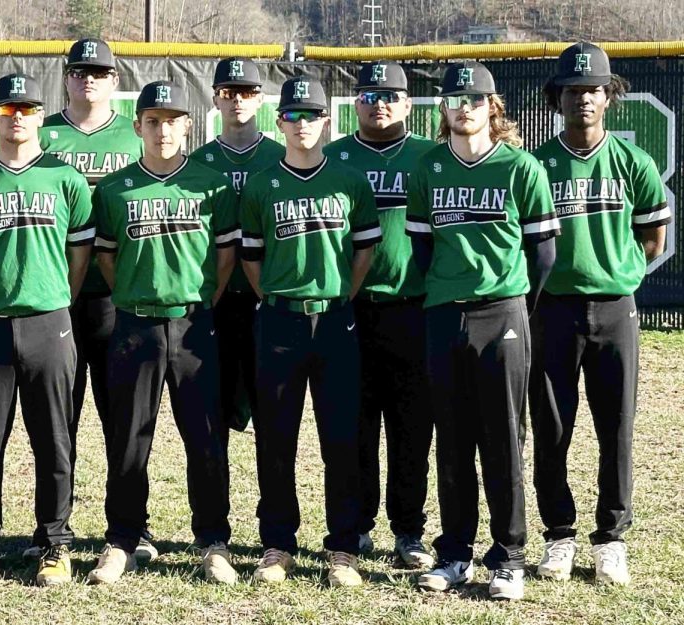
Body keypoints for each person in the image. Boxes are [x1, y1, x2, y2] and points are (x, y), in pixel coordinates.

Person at [406, 61, 560, 601]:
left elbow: (542, 253)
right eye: (454, 100)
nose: (464, 108)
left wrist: (513, 301)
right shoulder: (428, 168)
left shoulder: (521, 168)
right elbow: (422, 246)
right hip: (445, 313)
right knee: (451, 438)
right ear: (443, 110)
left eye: (474, 100)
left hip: (504, 313)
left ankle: (509, 557)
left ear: (492, 108)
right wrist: (452, 287)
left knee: (504, 438)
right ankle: (454, 554)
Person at [0, 73, 92, 588]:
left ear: (39, 115)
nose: (18, 118)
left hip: (49, 322)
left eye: (27, 109)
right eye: (8, 110)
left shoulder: (64, 178)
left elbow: (80, 254)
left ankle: (55, 543)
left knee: (53, 439)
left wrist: (55, 300)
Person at [529, 42, 670, 586]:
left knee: (616, 427)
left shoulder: (632, 162)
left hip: (615, 309)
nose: (583, 99)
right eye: (572, 90)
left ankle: (611, 538)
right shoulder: (538, 164)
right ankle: (559, 535)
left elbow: (653, 239)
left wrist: (622, 272)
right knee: (552, 426)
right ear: (557, 98)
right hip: (552, 309)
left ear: (608, 97)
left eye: (592, 89)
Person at [86, 80, 237, 586]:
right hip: (135, 323)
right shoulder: (115, 188)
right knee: (129, 437)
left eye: (172, 120)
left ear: (188, 126)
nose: (163, 129)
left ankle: (213, 540)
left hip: (194, 324)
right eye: (153, 120)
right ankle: (123, 538)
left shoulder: (210, 184)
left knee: (206, 437)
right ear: (138, 126)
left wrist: (200, 302)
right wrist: (134, 292)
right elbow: (106, 257)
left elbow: (225, 253)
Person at [240, 76, 381, 588]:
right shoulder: (262, 182)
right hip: (279, 317)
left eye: (312, 115)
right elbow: (250, 257)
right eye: (293, 115)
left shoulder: (348, 179)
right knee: (276, 438)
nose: (302, 124)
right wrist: (279, 296)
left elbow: (365, 249)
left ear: (328, 121)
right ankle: (278, 544)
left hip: (336, 317)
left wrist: (341, 291)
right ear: (279, 122)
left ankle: (343, 547)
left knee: (340, 437)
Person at [38, 37, 153, 561]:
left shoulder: (134, 137)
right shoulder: (42, 136)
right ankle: (53, 529)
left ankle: (128, 527)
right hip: (54, 298)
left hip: (114, 297)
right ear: (66, 77)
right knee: (55, 420)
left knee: (123, 421)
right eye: (80, 71)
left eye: (99, 72)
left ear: (115, 81)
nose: (89, 79)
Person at [323, 60, 437, 567]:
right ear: (356, 104)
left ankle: (408, 531)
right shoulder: (332, 158)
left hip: (414, 307)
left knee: (412, 426)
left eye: (390, 95)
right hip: (350, 310)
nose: (380, 103)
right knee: (352, 425)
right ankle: (356, 524)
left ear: (409, 103)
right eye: (369, 95)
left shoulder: (431, 158)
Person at [192, 57, 286, 436]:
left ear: (260, 99)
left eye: (247, 92)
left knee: (272, 418)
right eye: (228, 93)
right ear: (215, 99)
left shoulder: (281, 157)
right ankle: (216, 499)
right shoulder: (198, 162)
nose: (237, 101)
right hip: (217, 298)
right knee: (212, 419)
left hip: (268, 298)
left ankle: (275, 498)